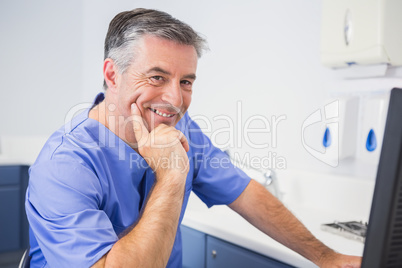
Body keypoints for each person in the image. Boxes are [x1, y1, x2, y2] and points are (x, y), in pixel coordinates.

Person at [25, 8, 362, 268]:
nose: (175, 99)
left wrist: (326, 257)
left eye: (186, 81)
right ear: (113, 74)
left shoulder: (182, 132)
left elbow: (245, 193)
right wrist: (171, 178)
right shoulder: (64, 166)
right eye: (157, 77)